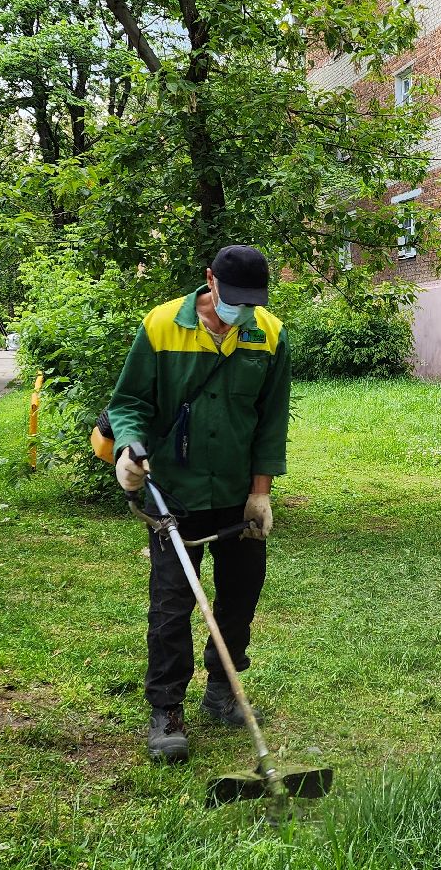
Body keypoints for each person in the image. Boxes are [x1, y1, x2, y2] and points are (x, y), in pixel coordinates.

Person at [106, 244, 291, 763]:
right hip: (175, 494)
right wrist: (127, 447)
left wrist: (260, 494)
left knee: (239, 597)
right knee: (172, 604)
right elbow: (131, 402)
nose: (242, 311)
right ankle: (165, 709)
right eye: (233, 299)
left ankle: (221, 689)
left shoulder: (269, 335)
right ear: (209, 280)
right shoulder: (162, 325)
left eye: (251, 302)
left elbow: (270, 421)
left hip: (236, 493)